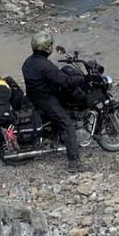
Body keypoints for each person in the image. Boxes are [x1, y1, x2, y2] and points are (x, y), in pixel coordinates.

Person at [22, 31, 84, 171]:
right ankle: (74, 162)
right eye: (50, 45)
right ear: (46, 48)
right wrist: (81, 79)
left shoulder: (28, 62)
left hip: (33, 97)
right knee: (68, 124)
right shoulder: (46, 66)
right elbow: (65, 81)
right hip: (46, 100)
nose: (51, 47)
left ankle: (59, 138)